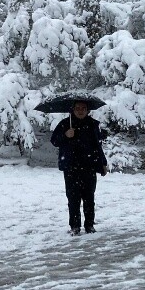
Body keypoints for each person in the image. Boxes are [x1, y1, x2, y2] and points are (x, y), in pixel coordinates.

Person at [50, 100, 108, 235]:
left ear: (88, 110)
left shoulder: (93, 124)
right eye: (77, 108)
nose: (80, 111)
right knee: (73, 198)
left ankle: (89, 225)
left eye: (83, 108)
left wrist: (102, 163)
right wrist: (65, 135)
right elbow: (54, 140)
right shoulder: (65, 124)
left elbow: (98, 146)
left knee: (89, 198)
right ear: (73, 110)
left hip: (89, 166)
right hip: (71, 167)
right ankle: (75, 226)